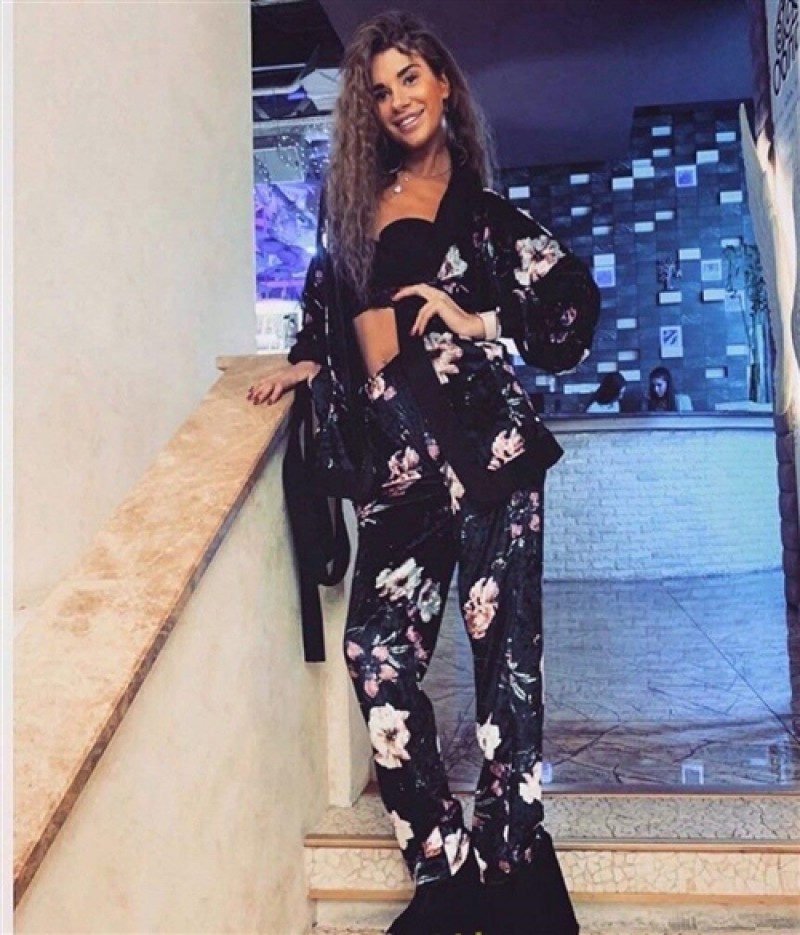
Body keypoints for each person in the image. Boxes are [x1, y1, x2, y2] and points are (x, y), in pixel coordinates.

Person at [248, 11, 599, 934]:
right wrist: (306, 363)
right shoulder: (352, 204)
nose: (397, 99)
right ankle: (444, 867)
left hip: (489, 456)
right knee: (375, 650)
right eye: (379, 89)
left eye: (411, 78)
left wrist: (481, 320)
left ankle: (512, 865)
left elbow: (570, 301)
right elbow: (327, 309)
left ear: (444, 85)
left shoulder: (482, 214)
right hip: (397, 467)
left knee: (504, 663)